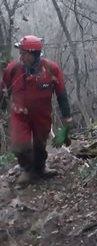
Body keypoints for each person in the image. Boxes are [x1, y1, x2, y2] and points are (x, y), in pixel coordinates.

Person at [0, 35, 72, 186]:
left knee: (40, 144)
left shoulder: (51, 69)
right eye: (20, 53)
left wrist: (67, 119)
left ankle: (40, 168)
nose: (21, 56)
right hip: (19, 115)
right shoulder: (13, 69)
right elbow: (3, 89)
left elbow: (61, 94)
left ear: (34, 54)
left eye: (24, 53)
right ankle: (27, 170)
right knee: (20, 147)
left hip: (42, 114)